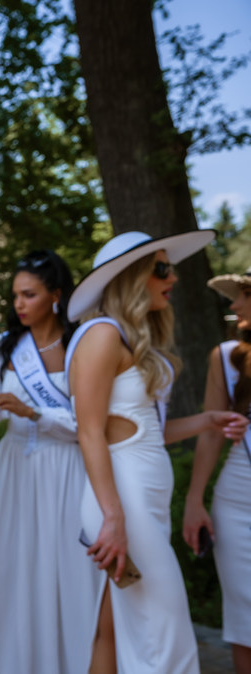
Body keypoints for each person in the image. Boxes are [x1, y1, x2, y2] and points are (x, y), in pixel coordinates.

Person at [65, 230, 248, 674]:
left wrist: (207, 421)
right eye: (162, 268)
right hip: (123, 502)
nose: (174, 277)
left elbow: (145, 431)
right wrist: (113, 517)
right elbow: (89, 432)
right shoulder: (101, 334)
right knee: (166, 641)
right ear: (132, 277)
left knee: (124, 631)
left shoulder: (129, 338)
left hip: (142, 501)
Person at [0, 250, 98, 673]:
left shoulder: (82, 344)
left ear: (56, 295)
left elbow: (89, 425)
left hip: (67, 471)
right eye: (16, 295)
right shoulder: (7, 345)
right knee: (13, 570)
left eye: (29, 294)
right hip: (15, 470)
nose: (19, 304)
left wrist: (33, 412)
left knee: (65, 572)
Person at [182, 266, 251, 674]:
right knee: (245, 619)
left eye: (244, 294)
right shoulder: (225, 357)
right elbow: (210, 432)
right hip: (237, 502)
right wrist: (195, 500)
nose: (235, 303)